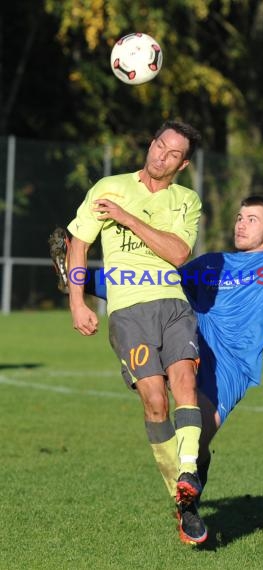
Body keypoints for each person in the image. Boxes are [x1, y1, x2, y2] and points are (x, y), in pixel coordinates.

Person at [51, 195, 263, 542]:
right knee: (178, 423)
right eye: (239, 217)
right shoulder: (213, 262)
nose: (241, 224)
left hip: (232, 367)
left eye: (252, 219)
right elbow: (154, 284)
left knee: (198, 443)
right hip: (191, 344)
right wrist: (82, 280)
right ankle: (188, 509)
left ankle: (189, 496)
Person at [49, 120, 208, 544]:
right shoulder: (109, 186)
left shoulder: (186, 200)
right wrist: (77, 301)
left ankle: (189, 468)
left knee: (185, 382)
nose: (161, 156)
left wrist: (126, 218)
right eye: (159, 145)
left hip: (174, 304)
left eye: (173, 153)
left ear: (184, 163)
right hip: (127, 312)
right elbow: (78, 244)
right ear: (151, 142)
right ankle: (183, 499)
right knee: (155, 402)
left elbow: (178, 252)